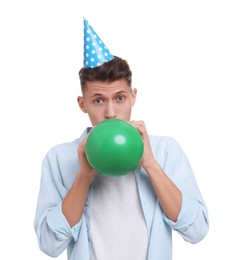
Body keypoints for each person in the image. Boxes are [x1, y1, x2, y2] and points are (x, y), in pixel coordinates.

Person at [34, 19, 209, 260]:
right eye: (98, 100)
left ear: (133, 97)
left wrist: (151, 165)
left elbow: (197, 230)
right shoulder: (59, 158)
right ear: (82, 104)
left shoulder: (166, 150)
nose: (111, 113)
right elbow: (49, 244)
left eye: (119, 98)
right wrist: (84, 176)